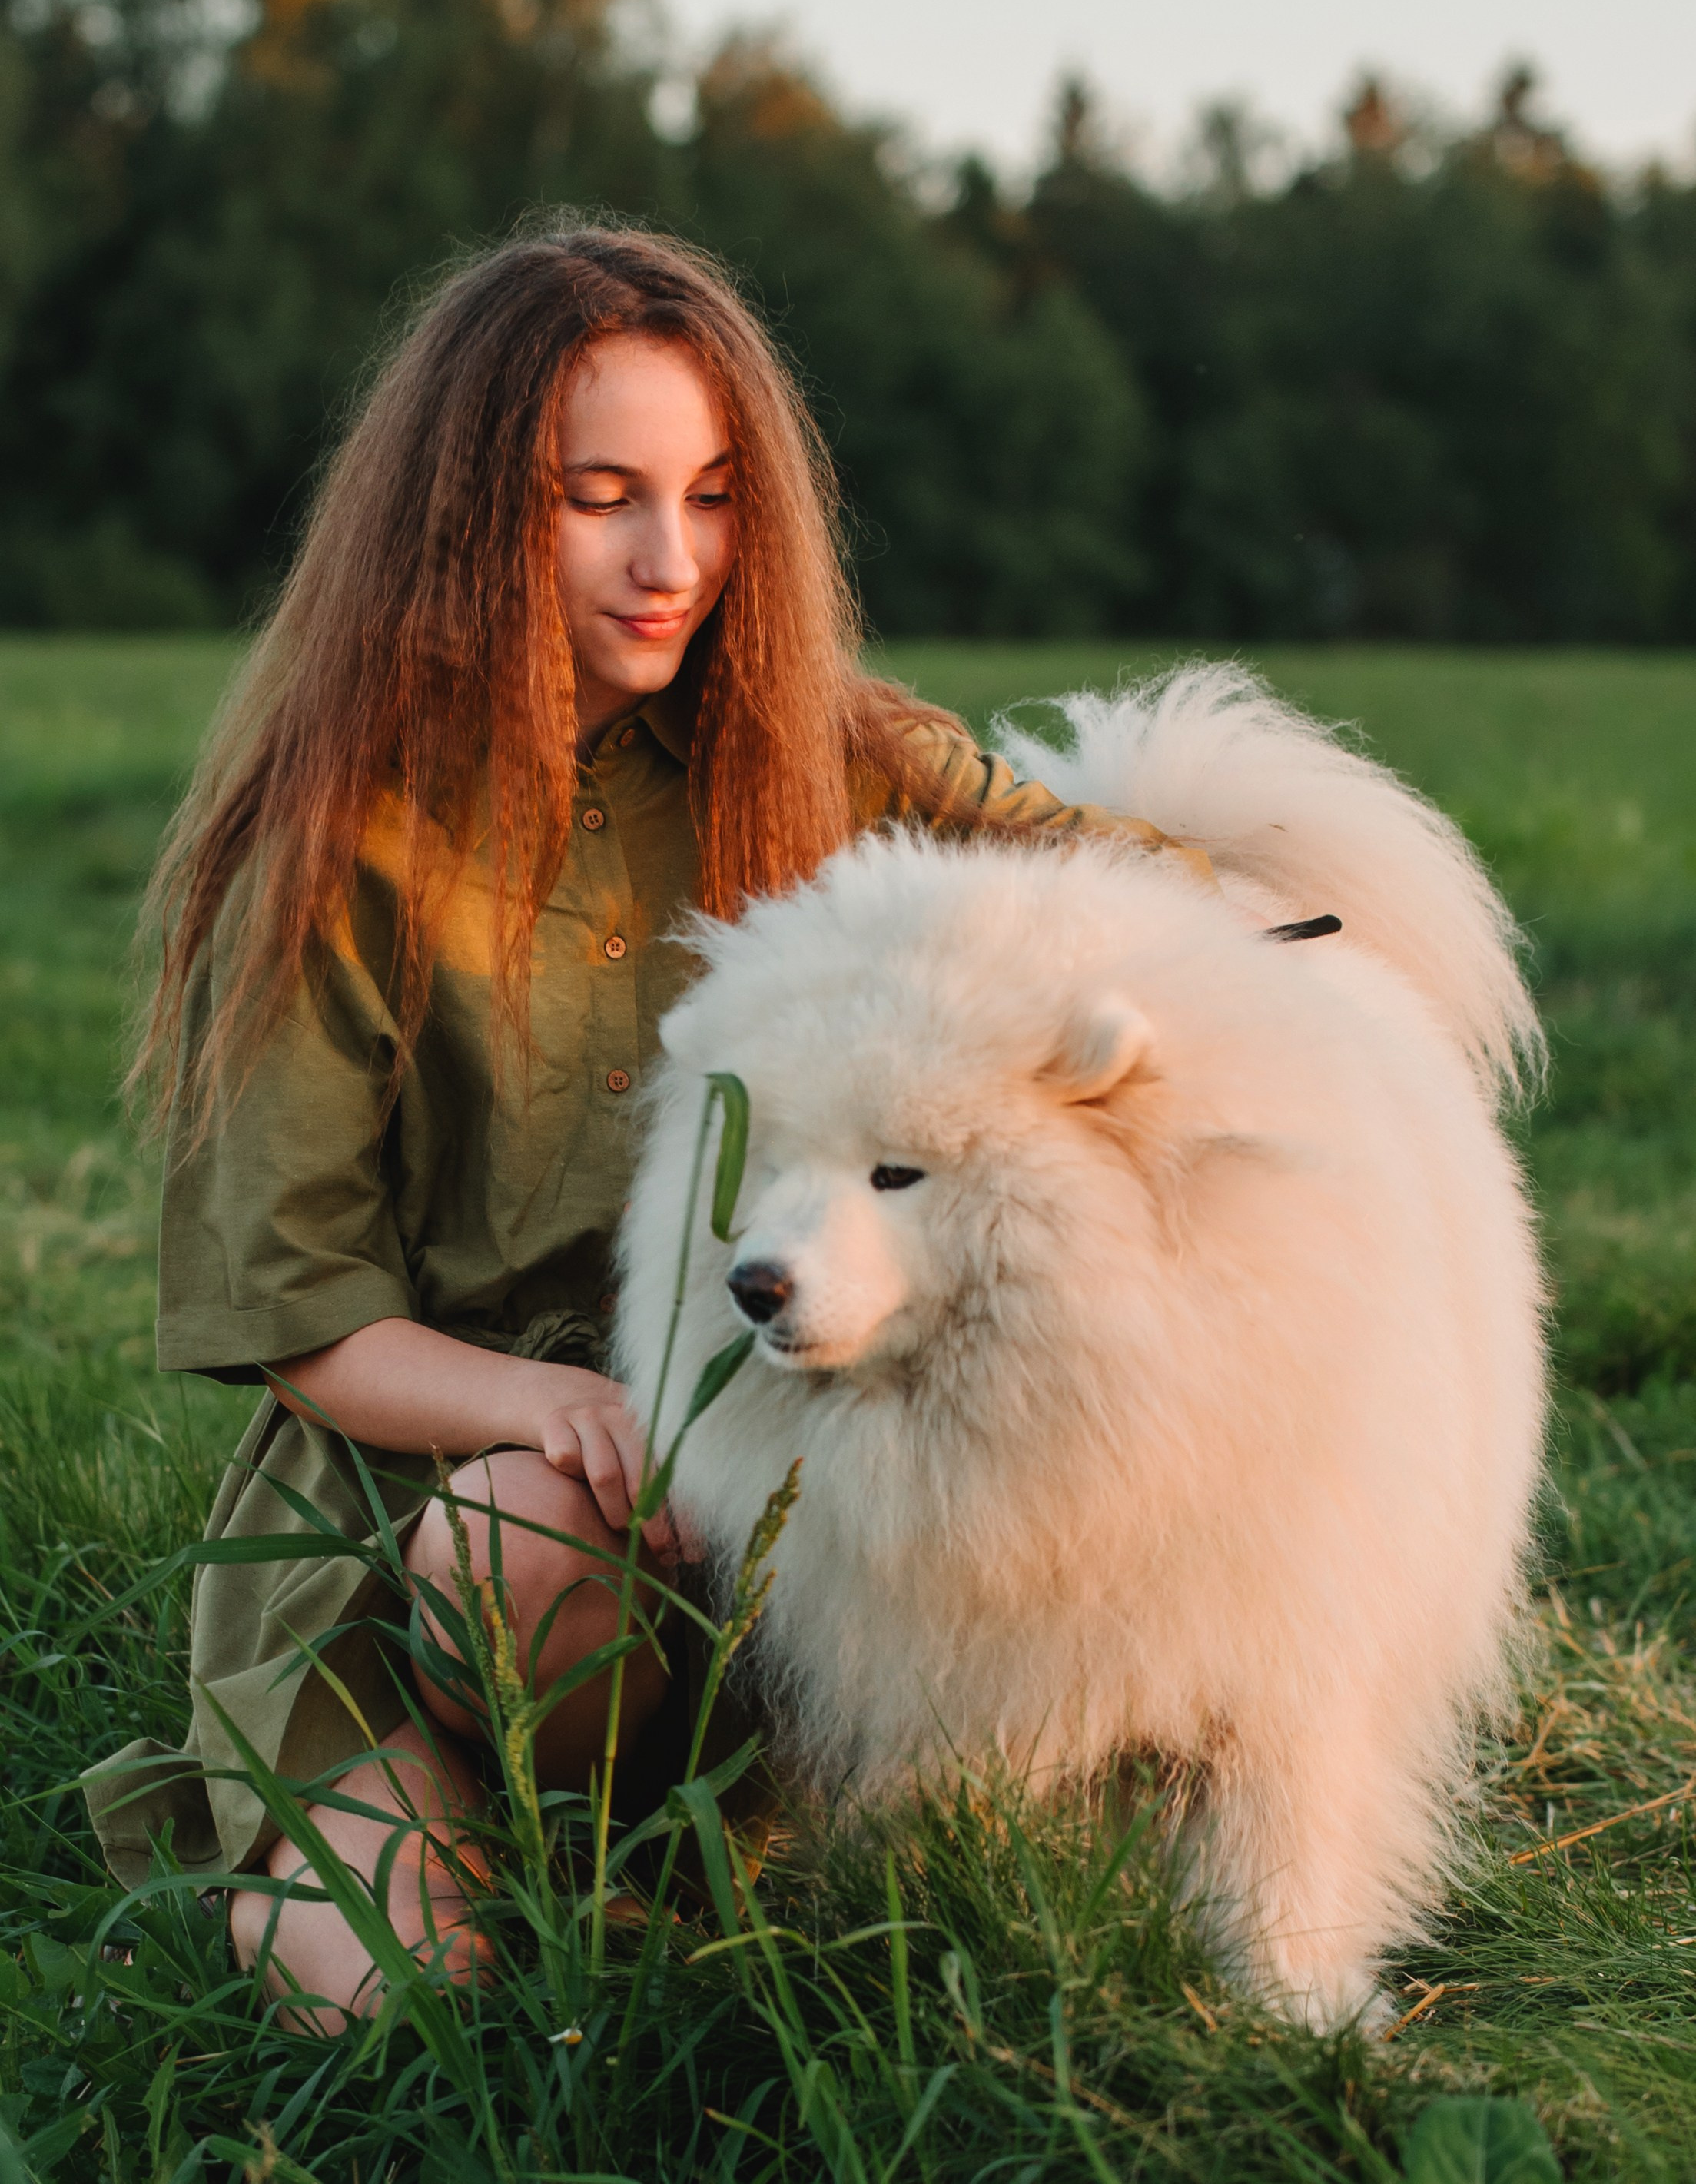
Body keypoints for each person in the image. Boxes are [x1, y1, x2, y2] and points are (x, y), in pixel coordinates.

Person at [85, 222, 1205, 2026]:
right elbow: (302, 1316)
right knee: (386, 1995)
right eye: (597, 497)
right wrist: (547, 1403)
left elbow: (1147, 889)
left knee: (798, 1936)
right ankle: (447, 1820)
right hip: (426, 1499)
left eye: (711, 494)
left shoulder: (839, 754)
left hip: (774, 1473)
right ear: (467, 514)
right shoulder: (344, 836)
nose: (669, 559)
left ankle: (681, 1834)